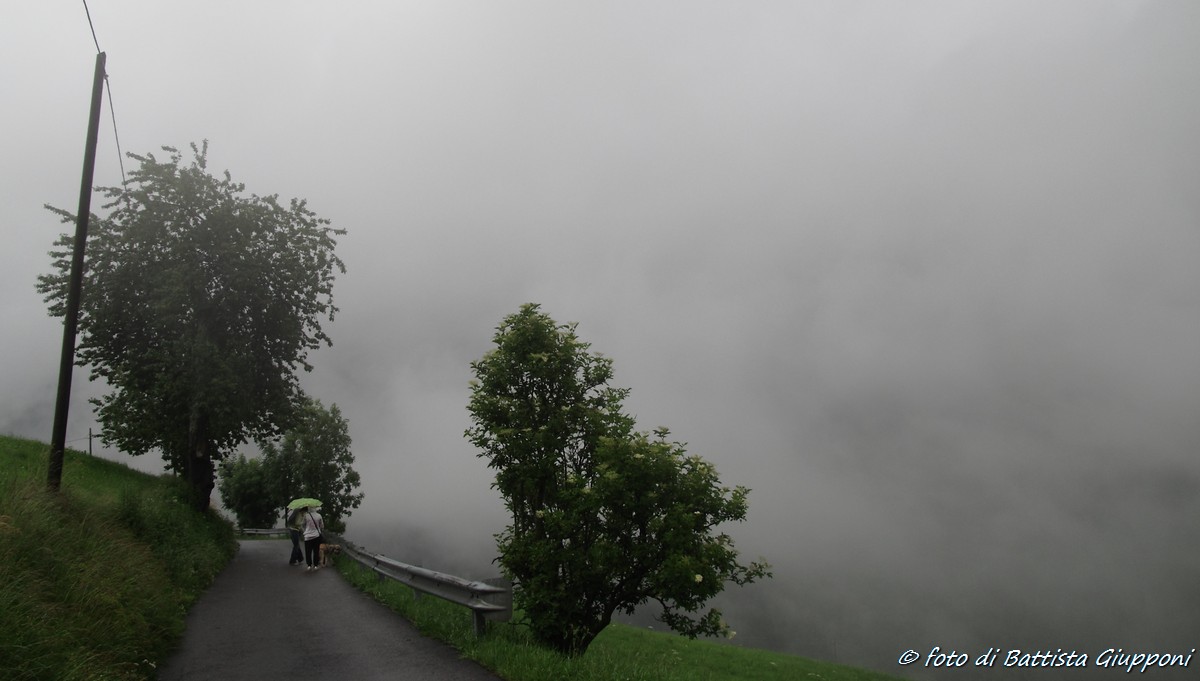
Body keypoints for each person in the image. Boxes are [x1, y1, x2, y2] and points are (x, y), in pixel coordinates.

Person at [302, 506, 324, 571]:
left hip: (307, 536)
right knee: (316, 551)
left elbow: (302, 524)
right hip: (316, 536)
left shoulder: (306, 515)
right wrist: (320, 529)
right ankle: (316, 565)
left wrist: (304, 531)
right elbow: (322, 526)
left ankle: (309, 565)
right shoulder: (319, 515)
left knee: (308, 551)